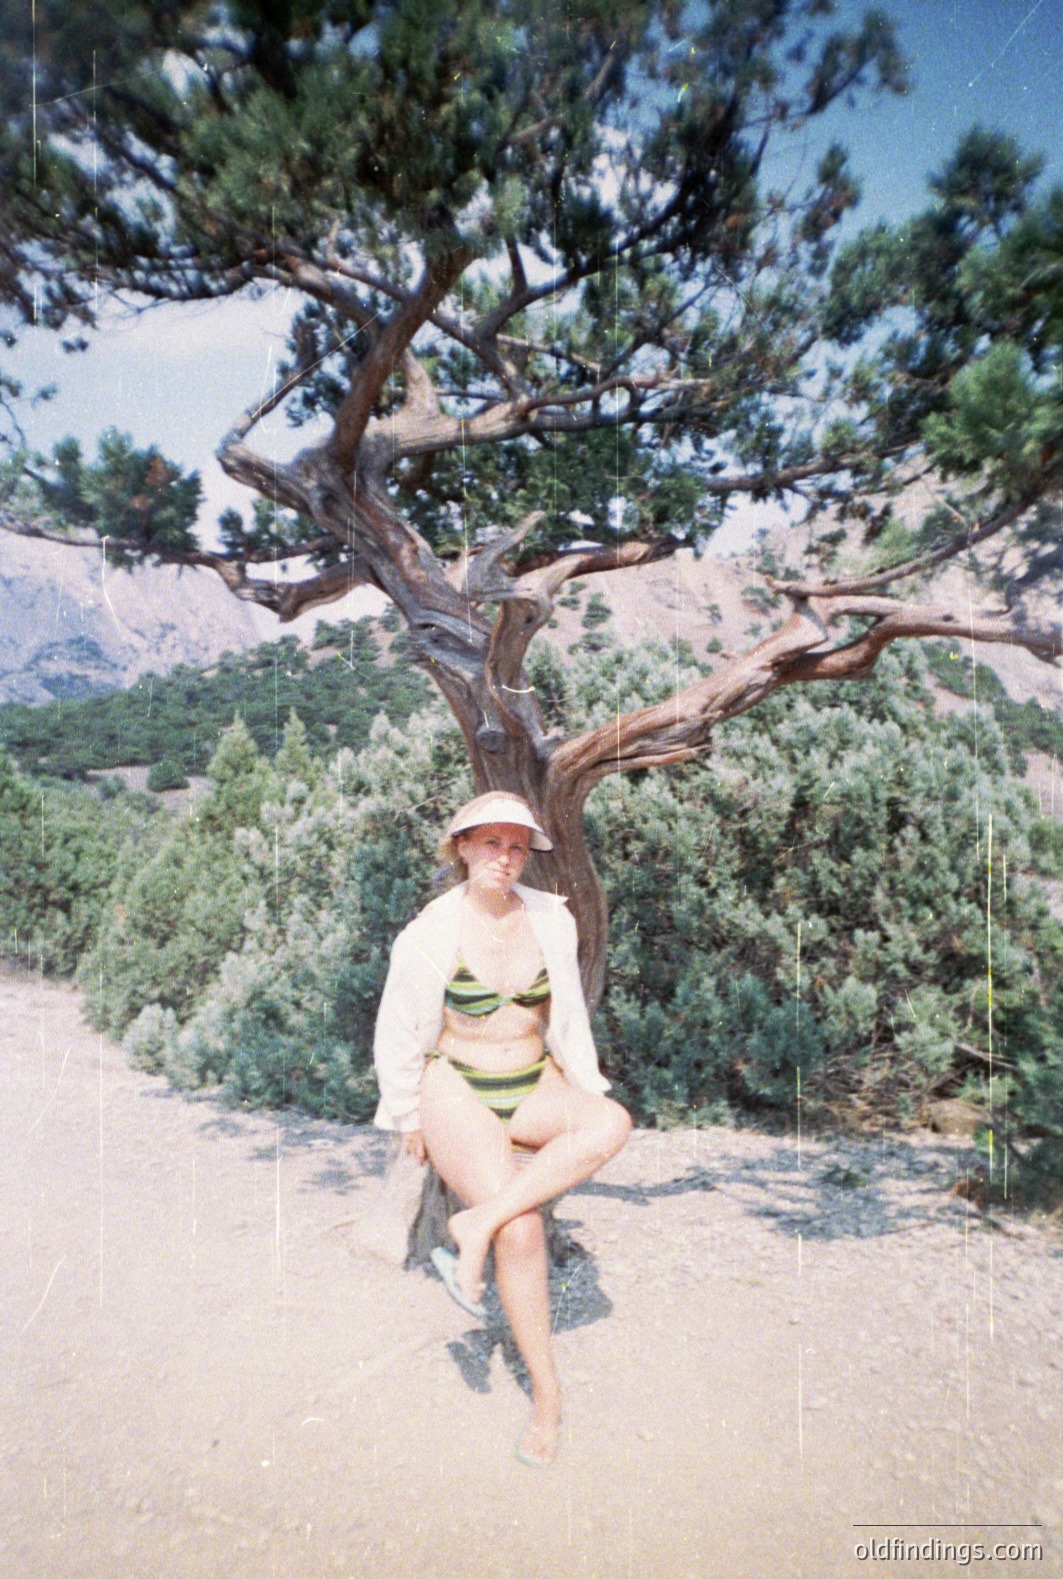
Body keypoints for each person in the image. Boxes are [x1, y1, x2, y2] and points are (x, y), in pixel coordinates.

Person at [373, 790, 632, 1467]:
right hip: (455, 1085)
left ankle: (475, 1223)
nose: (505, 856)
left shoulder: (551, 918)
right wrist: (406, 1116)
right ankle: (547, 1398)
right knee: (525, 1232)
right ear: (460, 846)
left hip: (531, 1076)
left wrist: (582, 1079)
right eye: (489, 842)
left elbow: (567, 1015)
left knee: (610, 1120)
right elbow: (398, 1029)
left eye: (516, 845)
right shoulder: (431, 930)